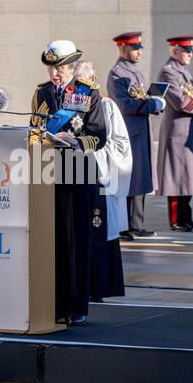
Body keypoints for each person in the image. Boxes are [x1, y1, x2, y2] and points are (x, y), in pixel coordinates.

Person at [31, 40, 107, 325]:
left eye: (60, 67)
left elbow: (99, 135)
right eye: (52, 67)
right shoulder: (42, 92)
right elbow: (34, 129)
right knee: (53, 240)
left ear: (73, 68)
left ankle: (77, 306)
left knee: (77, 240)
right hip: (50, 173)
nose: (55, 73)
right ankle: (55, 304)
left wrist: (75, 140)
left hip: (78, 170)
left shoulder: (88, 93)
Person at [74, 60, 132, 300]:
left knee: (98, 230)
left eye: (81, 83)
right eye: (75, 84)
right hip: (73, 175)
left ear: (93, 81)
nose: (78, 90)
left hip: (99, 176)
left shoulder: (106, 106)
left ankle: (99, 287)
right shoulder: (66, 107)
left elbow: (120, 144)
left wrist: (91, 150)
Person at [107, 31, 165, 240]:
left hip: (141, 130)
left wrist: (156, 102)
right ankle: (125, 225)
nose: (139, 52)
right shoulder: (117, 73)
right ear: (123, 49)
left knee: (140, 178)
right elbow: (125, 104)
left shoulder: (135, 72)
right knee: (129, 180)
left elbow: (141, 98)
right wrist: (151, 103)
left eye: (140, 48)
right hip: (129, 131)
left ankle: (136, 224)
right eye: (135, 49)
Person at [156, 36, 193, 231]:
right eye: (186, 51)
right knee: (175, 177)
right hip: (176, 132)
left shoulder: (182, 71)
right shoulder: (168, 72)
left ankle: (186, 217)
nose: (190, 54)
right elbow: (182, 102)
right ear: (175, 51)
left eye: (191, 51)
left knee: (186, 176)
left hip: (186, 130)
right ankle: (176, 220)